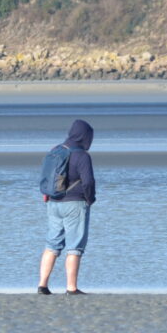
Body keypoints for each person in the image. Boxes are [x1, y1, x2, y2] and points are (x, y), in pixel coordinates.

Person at [39, 119, 96, 295]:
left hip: (53, 203)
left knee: (52, 245)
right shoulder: (82, 156)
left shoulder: (55, 150)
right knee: (75, 246)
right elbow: (88, 182)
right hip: (75, 203)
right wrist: (90, 199)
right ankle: (71, 288)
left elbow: (46, 176)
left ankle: (42, 285)